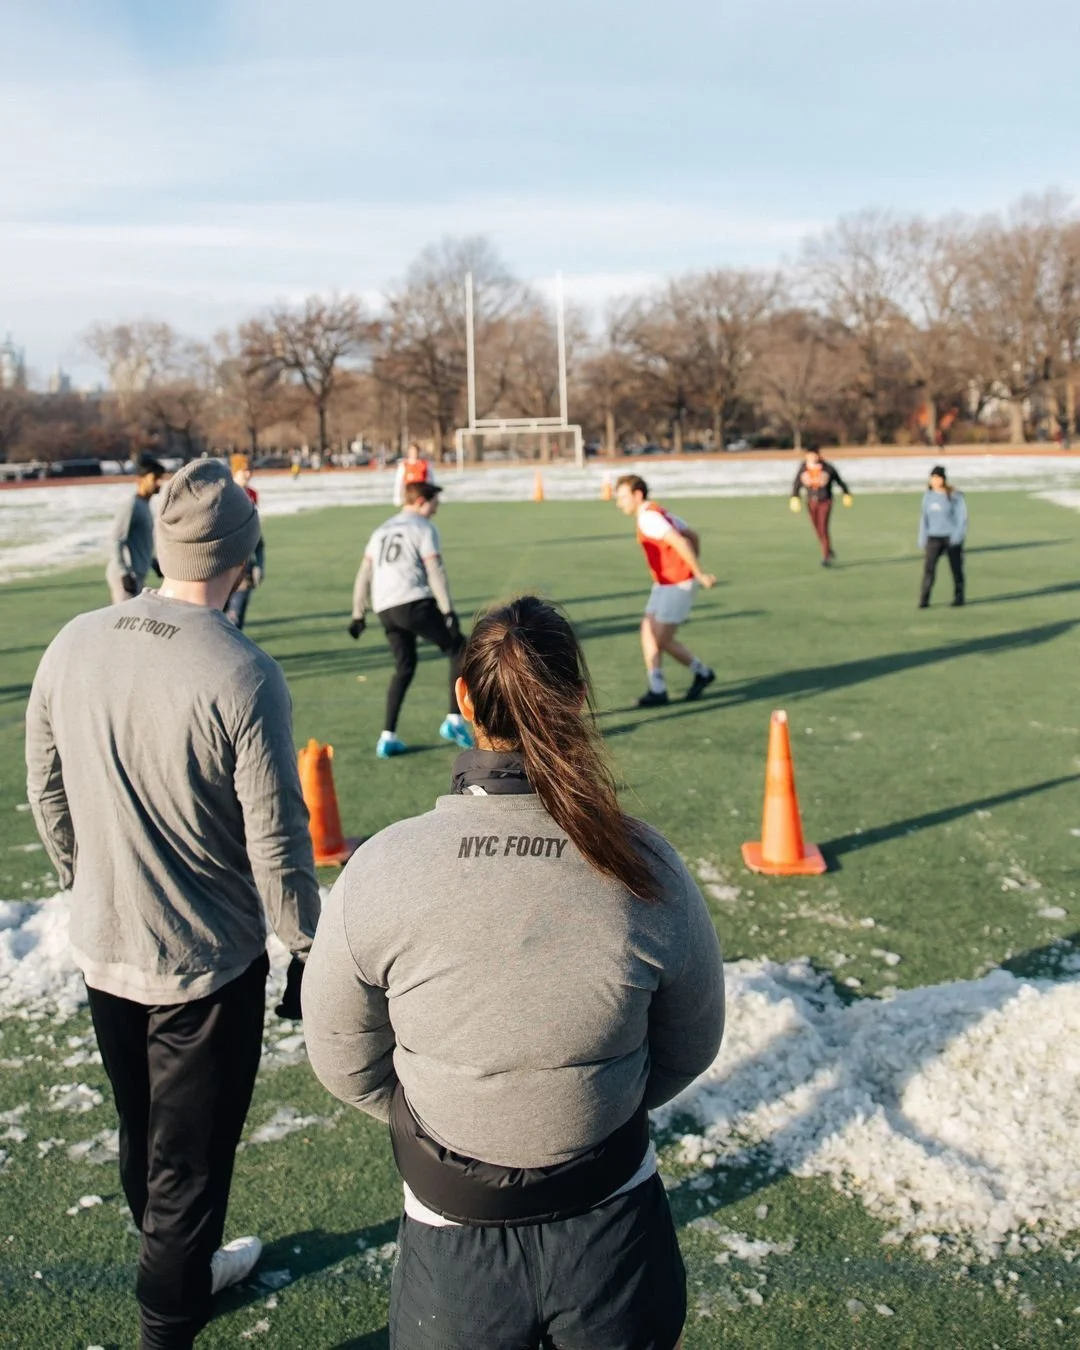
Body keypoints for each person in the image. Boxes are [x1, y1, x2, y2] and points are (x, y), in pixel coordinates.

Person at [303, 595, 725, 1350]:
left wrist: (450, 1120)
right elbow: (691, 1042)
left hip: (452, 1235)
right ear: (578, 701)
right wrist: (590, 1106)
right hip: (614, 1226)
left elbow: (341, 1056)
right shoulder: (644, 861)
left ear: (463, 701)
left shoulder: (382, 866)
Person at [26, 459, 321, 1350]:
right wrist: (305, 944)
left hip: (105, 946)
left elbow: (44, 790)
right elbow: (276, 840)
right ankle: (169, 1321)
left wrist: (87, 877)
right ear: (242, 553)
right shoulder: (242, 670)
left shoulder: (73, 638)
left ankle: (179, 1263)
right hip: (205, 966)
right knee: (188, 1168)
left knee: (143, 1132)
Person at [349, 480, 473, 757]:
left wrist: (359, 613)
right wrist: (448, 610)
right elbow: (435, 571)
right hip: (413, 601)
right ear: (420, 501)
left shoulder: (382, 530)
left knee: (405, 667)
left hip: (385, 609)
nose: (437, 507)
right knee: (460, 648)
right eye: (434, 502)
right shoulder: (424, 528)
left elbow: (364, 573)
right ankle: (454, 720)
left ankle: (387, 736)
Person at [614, 474, 717, 708]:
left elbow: (679, 541)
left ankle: (702, 672)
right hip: (664, 583)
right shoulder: (657, 511)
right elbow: (692, 535)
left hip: (676, 584)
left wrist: (697, 572)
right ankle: (657, 688)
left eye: (622, 497)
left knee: (662, 640)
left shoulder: (649, 518)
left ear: (637, 495)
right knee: (647, 630)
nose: (619, 503)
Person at [106, 452, 164, 602]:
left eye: (160, 478)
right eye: (155, 478)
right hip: (127, 577)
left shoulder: (144, 505)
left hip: (137, 575)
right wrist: (123, 573)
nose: (159, 483)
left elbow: (137, 543)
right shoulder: (132, 506)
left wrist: (152, 562)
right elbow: (116, 540)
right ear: (140, 480)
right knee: (125, 622)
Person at [788, 447, 852, 566]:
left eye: (814, 455)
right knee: (817, 528)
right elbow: (797, 483)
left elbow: (839, 481)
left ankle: (826, 556)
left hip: (825, 501)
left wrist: (846, 493)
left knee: (823, 528)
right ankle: (828, 549)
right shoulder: (803, 468)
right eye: (810, 455)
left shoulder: (828, 468)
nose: (812, 458)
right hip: (811, 501)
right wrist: (795, 497)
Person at [224, 454, 265, 631]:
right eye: (244, 470)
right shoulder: (223, 495)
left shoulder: (252, 495)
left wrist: (260, 564)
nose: (248, 474)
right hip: (223, 568)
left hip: (244, 567)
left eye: (250, 470)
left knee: (235, 620)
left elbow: (256, 536)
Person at [918, 464, 967, 608]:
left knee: (956, 569)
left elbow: (962, 517)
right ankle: (924, 600)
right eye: (932, 478)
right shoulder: (927, 497)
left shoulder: (954, 496)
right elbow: (924, 519)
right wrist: (922, 538)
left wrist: (957, 536)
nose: (935, 481)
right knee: (929, 570)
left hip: (950, 537)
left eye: (937, 478)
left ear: (943, 479)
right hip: (933, 538)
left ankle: (959, 597)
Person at [393, 441, 436, 506]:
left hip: (422, 496)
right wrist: (397, 497)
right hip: (409, 497)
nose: (413, 453)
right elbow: (399, 482)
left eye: (415, 451)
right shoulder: (404, 465)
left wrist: (432, 496)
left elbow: (431, 481)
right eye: (412, 451)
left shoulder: (425, 464)